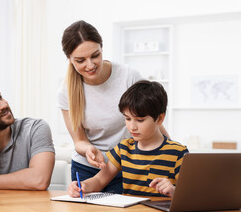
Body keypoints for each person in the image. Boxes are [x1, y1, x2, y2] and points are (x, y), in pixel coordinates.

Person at [58, 20, 170, 194]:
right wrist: (89, 149)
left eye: (95, 55)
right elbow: (79, 140)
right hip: (87, 168)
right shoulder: (67, 92)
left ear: (102, 48)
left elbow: (153, 121)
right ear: (69, 59)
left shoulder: (128, 76)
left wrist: (172, 152)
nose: (90, 65)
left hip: (128, 165)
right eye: (80, 60)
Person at [68, 80, 189, 197]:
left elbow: (192, 194)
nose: (132, 127)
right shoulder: (124, 148)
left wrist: (174, 191)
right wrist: (82, 185)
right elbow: (99, 180)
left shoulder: (178, 153)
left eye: (140, 120)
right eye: (127, 118)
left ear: (160, 119)